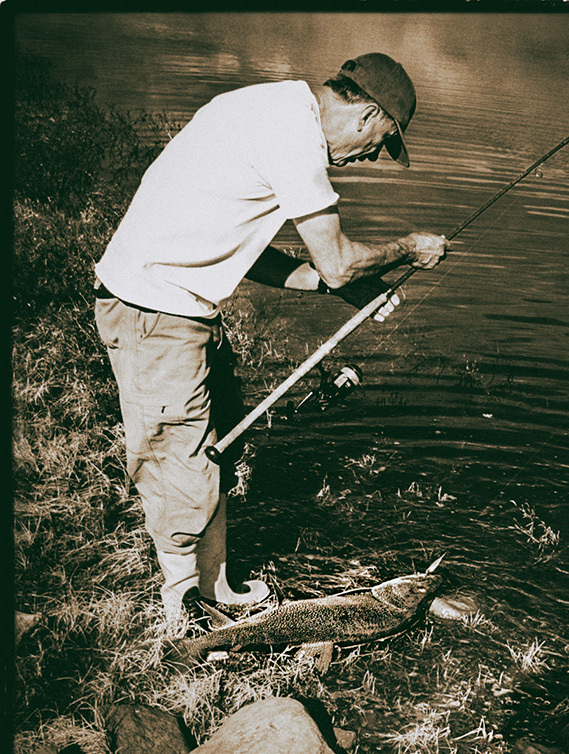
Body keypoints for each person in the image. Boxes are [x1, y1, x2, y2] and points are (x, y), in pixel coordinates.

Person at [94, 52, 449, 633]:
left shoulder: (273, 107)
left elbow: (240, 242)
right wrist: (408, 248)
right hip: (154, 312)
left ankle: (218, 586)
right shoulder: (294, 139)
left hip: (175, 304)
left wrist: (345, 290)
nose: (368, 159)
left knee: (215, 441)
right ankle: (187, 618)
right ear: (367, 116)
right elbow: (335, 262)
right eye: (381, 143)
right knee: (178, 458)